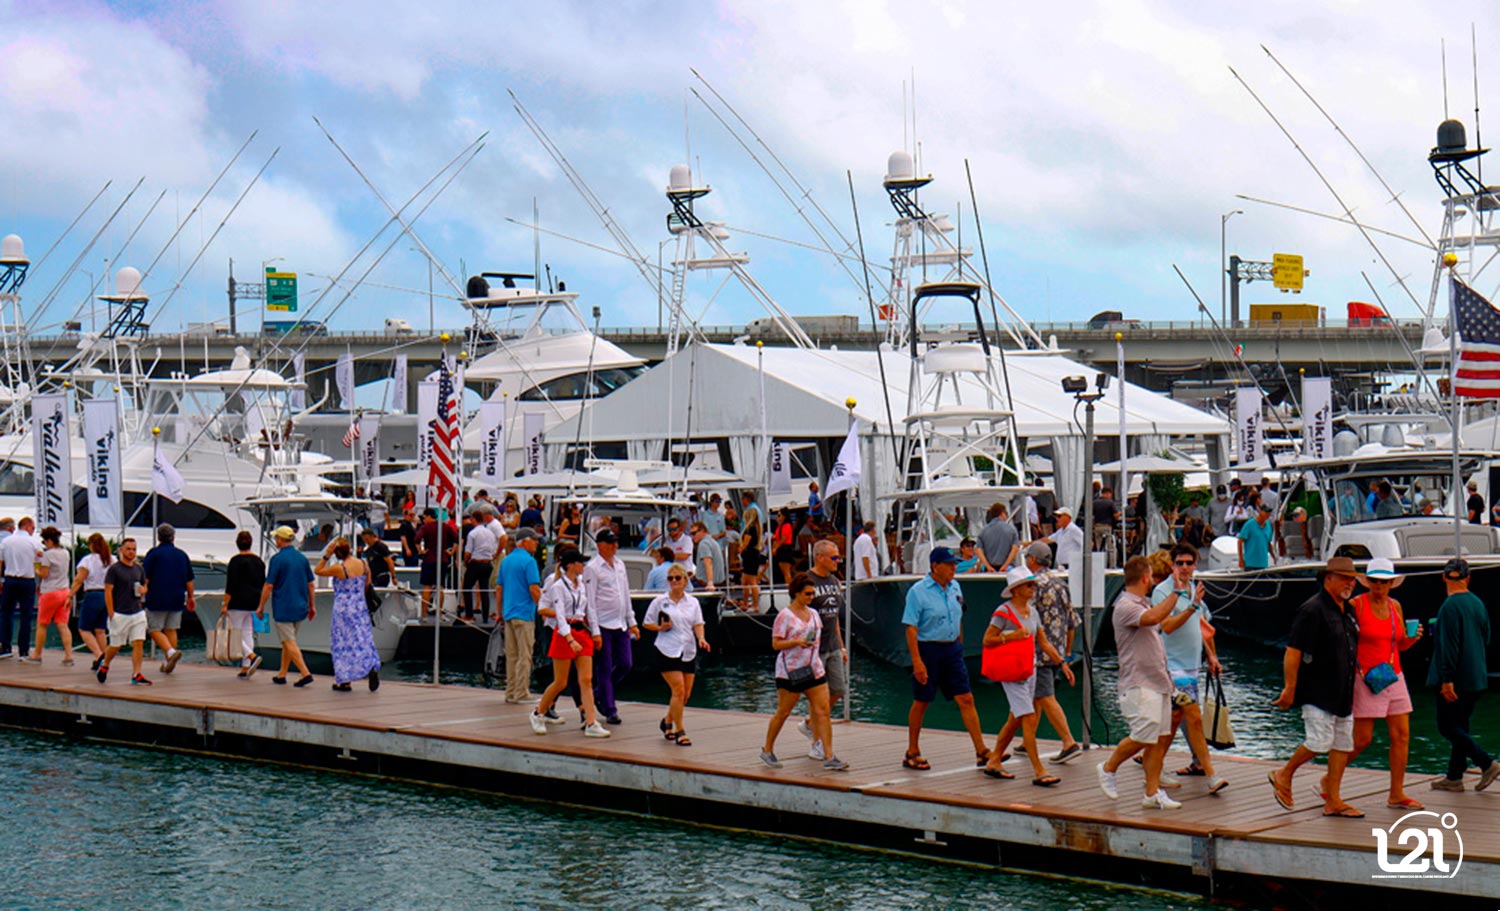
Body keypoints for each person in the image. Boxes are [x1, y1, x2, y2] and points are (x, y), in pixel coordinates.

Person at [1267, 556, 1363, 817]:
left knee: (1342, 744)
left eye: (1352, 579)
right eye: (1344, 578)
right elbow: (1293, 651)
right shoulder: (1312, 610)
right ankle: (1284, 773)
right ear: (1328, 579)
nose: (1350, 583)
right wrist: (1290, 687)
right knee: (1320, 742)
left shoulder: (1348, 609)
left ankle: (1333, 800)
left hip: (1343, 691)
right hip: (1317, 690)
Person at [1096, 556, 1180, 809]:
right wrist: (1176, 592)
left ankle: (1152, 793)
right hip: (1139, 683)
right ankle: (1108, 767)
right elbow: (1153, 618)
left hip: (1158, 682)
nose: (1153, 580)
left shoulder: (1143, 603)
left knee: (1157, 740)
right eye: (1151, 576)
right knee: (1144, 735)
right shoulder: (1126, 606)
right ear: (1145, 578)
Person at [980, 567, 1073, 787]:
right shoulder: (1003, 611)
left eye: (1033, 584)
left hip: (1028, 670)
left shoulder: (1033, 612)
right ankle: (1039, 770)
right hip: (1012, 673)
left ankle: (994, 760)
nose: (1033, 588)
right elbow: (987, 639)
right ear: (1016, 589)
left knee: (1015, 719)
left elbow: (1043, 642)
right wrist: (1012, 636)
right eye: (1029, 585)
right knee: (1029, 719)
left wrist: (1061, 663)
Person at [900, 546, 991, 771]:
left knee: (966, 698)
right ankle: (912, 751)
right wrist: (917, 661)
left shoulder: (955, 587)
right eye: (949, 564)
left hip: (952, 649)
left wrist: (959, 644)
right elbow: (911, 627)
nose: (954, 568)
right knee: (922, 700)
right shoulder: (918, 591)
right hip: (928, 649)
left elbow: (958, 615)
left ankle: (981, 750)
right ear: (935, 566)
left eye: (954, 564)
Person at [1344, 558, 1423, 808]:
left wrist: (1413, 638)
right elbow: (1343, 641)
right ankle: (1330, 779)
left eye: (1384, 581)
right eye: (1374, 581)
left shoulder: (1395, 606)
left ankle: (1396, 793)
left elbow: (1400, 645)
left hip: (1393, 675)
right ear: (1367, 582)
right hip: (1365, 677)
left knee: (1401, 735)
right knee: (1362, 739)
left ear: (1391, 584)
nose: (1379, 585)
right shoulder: (1356, 605)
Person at [1151, 543, 1229, 794]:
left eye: (1189, 563)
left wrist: (1212, 656)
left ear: (1195, 565)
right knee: (1194, 719)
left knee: (1174, 721)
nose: (1184, 567)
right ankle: (1211, 774)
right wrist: (1192, 606)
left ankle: (1154, 768)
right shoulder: (1163, 592)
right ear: (1172, 565)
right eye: (1180, 563)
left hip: (1192, 666)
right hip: (1172, 666)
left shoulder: (1193, 589)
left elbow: (1201, 627)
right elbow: (1167, 626)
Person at [1427, 557, 1500, 792]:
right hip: (1476, 676)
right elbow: (1486, 637)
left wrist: (1447, 679)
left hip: (1455, 679)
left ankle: (1486, 763)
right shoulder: (1477, 603)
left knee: (1447, 727)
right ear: (1468, 578)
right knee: (1461, 726)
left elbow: (1450, 646)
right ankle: (1454, 777)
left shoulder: (1449, 607)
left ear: (1444, 577)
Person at [760, 572, 846, 770]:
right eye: (807, 594)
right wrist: (797, 642)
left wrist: (838, 648)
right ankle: (767, 749)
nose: (811, 597)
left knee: (823, 711)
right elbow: (776, 644)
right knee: (783, 712)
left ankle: (829, 755)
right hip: (791, 671)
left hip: (814, 668)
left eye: (812, 593)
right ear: (796, 593)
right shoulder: (785, 616)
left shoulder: (814, 614)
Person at [530, 550, 611, 738]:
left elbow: (589, 610)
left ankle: (591, 721)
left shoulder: (583, 585)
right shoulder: (558, 586)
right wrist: (569, 639)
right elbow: (559, 615)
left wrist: (596, 633)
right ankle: (538, 712)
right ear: (570, 565)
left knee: (586, 680)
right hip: (564, 633)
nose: (583, 566)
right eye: (580, 563)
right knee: (561, 682)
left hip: (581, 631)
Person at [1021, 542, 1082, 763]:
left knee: (1045, 696)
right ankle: (1027, 740)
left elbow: (1025, 617)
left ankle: (1068, 742)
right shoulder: (1060, 584)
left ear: (1032, 560)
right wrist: (1067, 653)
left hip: (1039, 651)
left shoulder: (1033, 585)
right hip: (1058, 650)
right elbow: (1072, 622)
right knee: (1037, 695)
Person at [643, 564, 710, 746]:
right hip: (667, 649)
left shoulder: (693, 602)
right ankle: (680, 730)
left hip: (687, 649)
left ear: (685, 581)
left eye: (677, 578)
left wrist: (701, 638)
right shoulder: (660, 601)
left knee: (685, 694)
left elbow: (698, 623)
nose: (674, 581)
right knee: (678, 690)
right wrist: (660, 627)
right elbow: (647, 623)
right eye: (670, 578)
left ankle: (667, 721)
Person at [799, 540, 848, 759]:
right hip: (814, 648)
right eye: (834, 557)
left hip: (833, 645)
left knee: (838, 689)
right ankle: (817, 744)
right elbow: (799, 614)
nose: (838, 561)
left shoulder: (835, 582)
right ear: (820, 557)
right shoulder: (806, 581)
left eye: (839, 557)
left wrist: (842, 646)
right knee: (816, 698)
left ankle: (811, 724)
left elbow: (834, 617)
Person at [313, 538, 380, 692]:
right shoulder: (363, 564)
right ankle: (370, 664)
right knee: (363, 638)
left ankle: (345, 680)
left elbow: (318, 570)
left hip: (343, 609)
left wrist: (326, 556)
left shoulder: (340, 568)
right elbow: (367, 583)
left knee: (342, 643)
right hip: (359, 606)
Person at [584, 529, 636, 726]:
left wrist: (632, 622)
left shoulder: (620, 565)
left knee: (625, 663)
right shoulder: (592, 568)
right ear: (600, 545)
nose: (615, 546)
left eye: (615, 542)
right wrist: (595, 631)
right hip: (603, 623)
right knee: (604, 666)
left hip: (620, 622)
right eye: (610, 542)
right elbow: (590, 601)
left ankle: (600, 692)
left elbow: (625, 594)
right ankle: (609, 708)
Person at [259, 526, 317, 687]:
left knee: (289, 642)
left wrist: (261, 606)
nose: (275, 540)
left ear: (280, 539)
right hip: (301, 605)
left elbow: (269, 585)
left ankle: (305, 673)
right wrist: (312, 605)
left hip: (284, 606)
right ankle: (282, 673)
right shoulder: (302, 558)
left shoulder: (277, 559)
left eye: (276, 538)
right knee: (288, 642)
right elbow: (311, 584)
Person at [496, 527, 543, 704]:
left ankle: (511, 691)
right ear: (524, 542)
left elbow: (499, 589)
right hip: (524, 614)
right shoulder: (529, 562)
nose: (537, 543)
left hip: (508, 614)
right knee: (525, 655)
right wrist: (543, 609)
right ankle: (522, 693)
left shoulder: (506, 561)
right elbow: (534, 589)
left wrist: (499, 612)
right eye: (534, 539)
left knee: (512, 655)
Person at [97, 538, 152, 684]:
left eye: (134, 549)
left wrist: (143, 590)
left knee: (138, 642)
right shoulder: (115, 569)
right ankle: (105, 664)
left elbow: (144, 586)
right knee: (116, 645)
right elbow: (108, 591)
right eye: (128, 549)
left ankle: (136, 674)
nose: (131, 552)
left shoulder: (139, 569)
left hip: (137, 611)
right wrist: (111, 613)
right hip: (120, 612)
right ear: (121, 550)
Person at [141, 523, 192, 674]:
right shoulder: (182, 555)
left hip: (157, 597)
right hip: (177, 597)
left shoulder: (154, 554)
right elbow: (189, 579)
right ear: (173, 537)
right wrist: (191, 597)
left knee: (154, 629)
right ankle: (168, 659)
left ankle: (170, 652)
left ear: (158, 537)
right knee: (171, 629)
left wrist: (141, 593)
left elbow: (146, 577)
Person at [27, 526, 75, 665]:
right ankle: (68, 656)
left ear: (48, 540)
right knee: (63, 625)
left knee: (42, 624)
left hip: (50, 592)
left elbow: (44, 574)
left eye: (44, 541)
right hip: (65, 591)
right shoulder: (66, 553)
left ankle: (37, 654)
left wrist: (36, 567)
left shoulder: (47, 555)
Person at [223, 531, 266, 678]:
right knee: (247, 633)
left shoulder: (235, 561)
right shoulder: (258, 561)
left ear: (237, 544)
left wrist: (225, 604)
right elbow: (262, 583)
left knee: (234, 634)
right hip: (254, 602)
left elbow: (231, 585)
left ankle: (251, 656)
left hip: (237, 602)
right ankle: (245, 666)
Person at [0, 516, 41, 659]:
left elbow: (0, 561)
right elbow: (39, 560)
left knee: (6, 613)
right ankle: (24, 650)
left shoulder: (6, 541)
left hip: (10, 579)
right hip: (27, 580)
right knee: (26, 615)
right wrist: (39, 577)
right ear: (27, 526)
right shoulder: (33, 542)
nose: (33, 531)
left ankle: (6, 646)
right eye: (33, 528)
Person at [70, 533, 113, 670]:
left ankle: (99, 655)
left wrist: (70, 595)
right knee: (100, 629)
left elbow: (79, 579)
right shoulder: (111, 559)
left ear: (92, 545)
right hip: (107, 594)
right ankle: (104, 659)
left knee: (84, 629)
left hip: (93, 594)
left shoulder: (87, 560)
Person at [461, 509, 498, 622]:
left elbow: (468, 551)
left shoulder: (472, 533)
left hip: (476, 562)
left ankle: (469, 614)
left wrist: (466, 561)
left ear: (474, 519)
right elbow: (493, 549)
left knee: (467, 587)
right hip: (487, 563)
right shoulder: (490, 533)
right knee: (484, 590)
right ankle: (485, 617)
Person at [739, 491, 765, 611]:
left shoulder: (750, 528)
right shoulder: (756, 528)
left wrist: (741, 549)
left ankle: (755, 604)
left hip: (750, 555)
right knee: (745, 580)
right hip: (751, 555)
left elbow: (746, 541)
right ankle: (746, 602)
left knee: (751, 581)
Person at [977, 502, 1019, 573]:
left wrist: (987, 566)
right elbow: (1015, 549)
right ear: (1002, 513)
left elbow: (978, 549)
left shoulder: (983, 531)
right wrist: (1005, 566)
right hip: (1007, 569)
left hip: (989, 569)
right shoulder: (1011, 529)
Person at [1237, 501, 1274, 570]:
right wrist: (1241, 559)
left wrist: (1274, 556)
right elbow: (1240, 541)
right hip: (1251, 563)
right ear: (1260, 512)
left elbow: (1268, 543)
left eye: (1269, 512)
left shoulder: (1268, 525)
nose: (1268, 514)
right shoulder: (1250, 524)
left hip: (1263, 563)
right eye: (1266, 512)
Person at [690, 521, 725, 590]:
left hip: (704, 584)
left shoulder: (703, 544)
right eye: (691, 534)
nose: (692, 537)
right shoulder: (713, 542)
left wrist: (710, 583)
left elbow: (708, 562)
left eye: (694, 533)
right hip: (718, 583)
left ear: (702, 531)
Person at [772, 508, 796, 585]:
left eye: (779, 515)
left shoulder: (787, 526)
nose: (778, 517)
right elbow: (777, 537)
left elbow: (783, 539)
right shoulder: (780, 526)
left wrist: (775, 548)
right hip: (781, 549)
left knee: (786, 572)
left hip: (785, 549)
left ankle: (790, 586)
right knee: (784, 571)